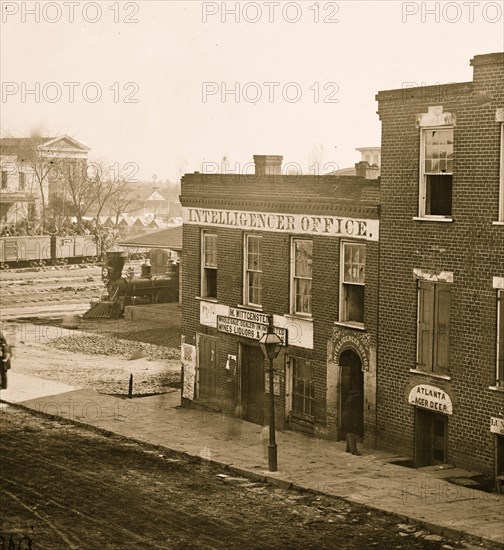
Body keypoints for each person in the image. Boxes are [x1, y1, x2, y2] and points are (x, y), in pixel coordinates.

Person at [343, 389, 362, 455]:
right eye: (357, 394)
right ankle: (354, 450)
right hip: (350, 421)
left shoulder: (349, 399)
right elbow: (352, 413)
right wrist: (354, 422)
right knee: (352, 435)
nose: (358, 395)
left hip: (347, 420)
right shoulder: (352, 401)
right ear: (354, 394)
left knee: (349, 434)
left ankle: (348, 448)